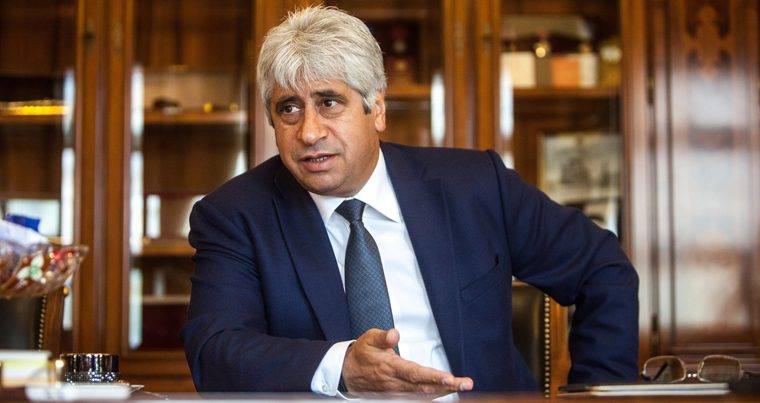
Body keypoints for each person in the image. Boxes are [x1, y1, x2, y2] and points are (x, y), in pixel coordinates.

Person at [181, 5, 639, 397]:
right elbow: (214, 351)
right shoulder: (236, 216)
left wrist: (598, 395)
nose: (310, 132)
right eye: (289, 108)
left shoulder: (475, 186)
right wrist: (342, 367)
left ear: (377, 108)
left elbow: (601, 267)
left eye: (329, 102)